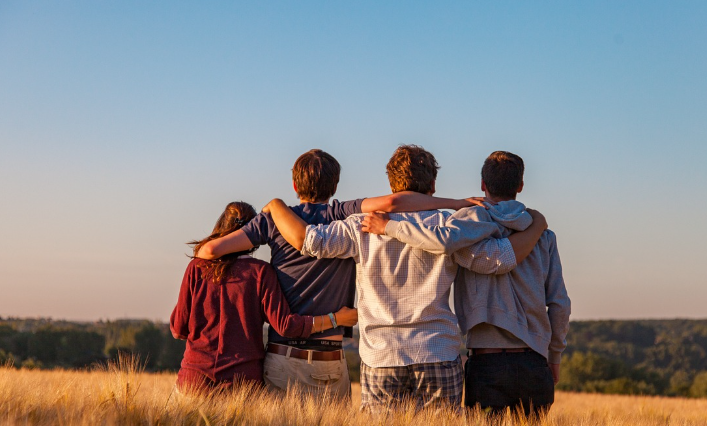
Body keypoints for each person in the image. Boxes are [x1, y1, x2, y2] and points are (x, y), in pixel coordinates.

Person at [262, 145, 548, 412]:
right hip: (437, 351)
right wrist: (536, 226)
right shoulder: (449, 227)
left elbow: (309, 241)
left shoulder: (360, 226)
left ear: (391, 185)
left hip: (381, 356)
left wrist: (276, 206)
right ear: (433, 186)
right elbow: (498, 260)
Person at [194, 149, 483, 400]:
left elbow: (208, 252)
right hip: (329, 359)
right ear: (335, 185)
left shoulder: (273, 220)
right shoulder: (343, 214)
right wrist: (455, 203)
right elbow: (395, 203)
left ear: (295, 184)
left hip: (282, 355)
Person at [362, 151, 570, 418]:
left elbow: (443, 241)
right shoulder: (543, 235)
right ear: (520, 186)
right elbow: (560, 304)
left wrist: (390, 227)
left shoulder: (464, 226)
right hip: (535, 361)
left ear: (483, 184)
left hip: (486, 363)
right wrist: (554, 356)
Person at [170, 201, 357, 393]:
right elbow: (286, 326)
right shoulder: (260, 272)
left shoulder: (197, 268)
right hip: (242, 385)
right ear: (253, 233)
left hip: (194, 381)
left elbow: (178, 329)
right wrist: (336, 319)